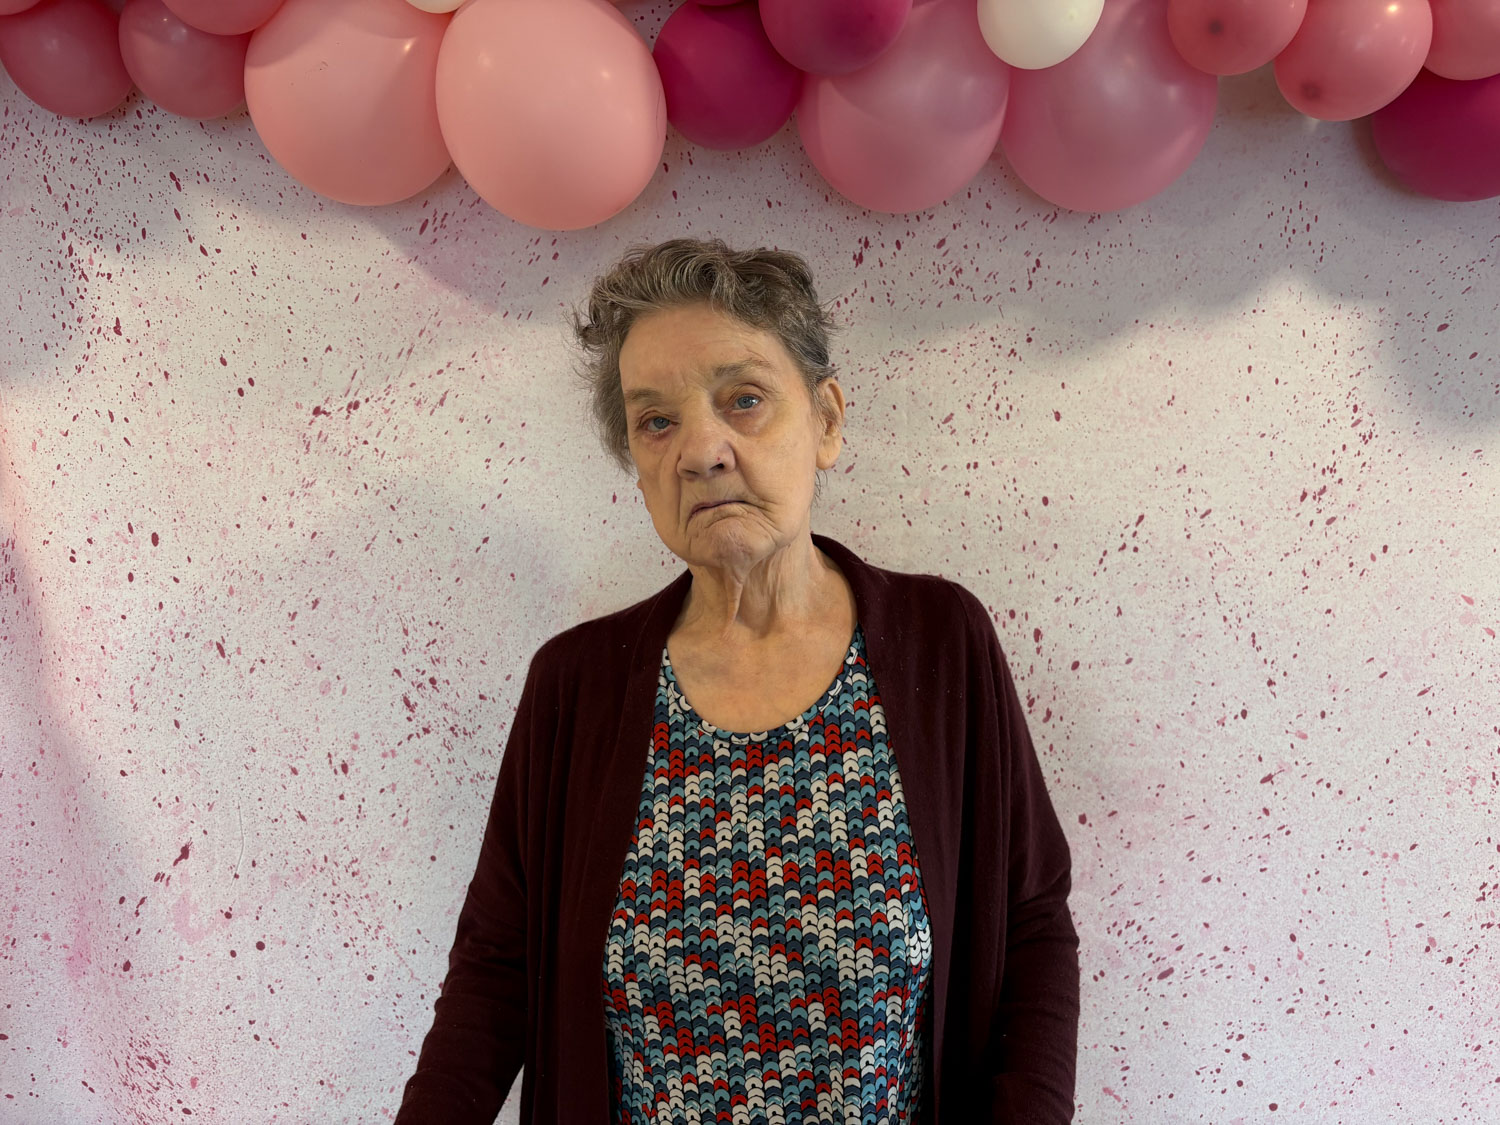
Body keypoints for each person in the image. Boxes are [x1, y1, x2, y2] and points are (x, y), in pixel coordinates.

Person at [394, 238, 1079, 1125]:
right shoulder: (575, 687)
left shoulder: (941, 644)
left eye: (744, 400)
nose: (701, 450)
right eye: (656, 421)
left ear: (826, 420)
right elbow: (495, 967)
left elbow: (1031, 924)